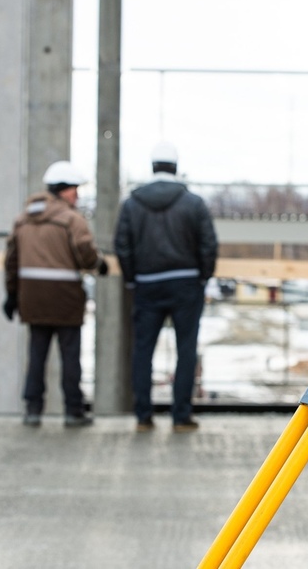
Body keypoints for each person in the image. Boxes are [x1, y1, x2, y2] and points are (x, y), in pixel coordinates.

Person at [113, 142, 218, 433]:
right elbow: (208, 244)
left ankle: (143, 415)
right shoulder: (193, 203)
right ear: (175, 167)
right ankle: (181, 416)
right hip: (186, 283)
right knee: (186, 349)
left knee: (143, 350)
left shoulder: (132, 203)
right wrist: (202, 276)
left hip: (147, 285)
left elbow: (122, 245)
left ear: (153, 167)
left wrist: (132, 278)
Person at [3, 160, 108, 427]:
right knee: (70, 356)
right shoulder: (72, 220)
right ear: (63, 190)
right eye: (74, 189)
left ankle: (32, 410)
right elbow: (85, 253)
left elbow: (11, 261)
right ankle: (74, 411)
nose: (77, 195)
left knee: (37, 355)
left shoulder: (23, 219)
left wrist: (12, 295)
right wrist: (99, 264)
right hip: (65, 299)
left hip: (32, 299)